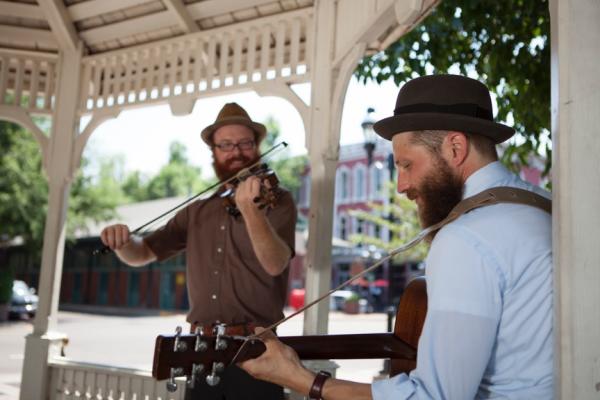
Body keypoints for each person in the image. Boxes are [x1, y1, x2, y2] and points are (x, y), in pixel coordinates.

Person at [239, 75, 553, 399]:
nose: (401, 185)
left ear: (455, 148)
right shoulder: (548, 208)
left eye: (406, 164)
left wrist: (301, 379)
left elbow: (432, 397)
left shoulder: (466, 238)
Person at [100, 102, 297, 400]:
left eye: (245, 143)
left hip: (259, 349)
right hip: (201, 350)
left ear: (256, 147)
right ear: (214, 152)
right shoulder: (197, 212)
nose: (236, 152)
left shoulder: (277, 201)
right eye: (226, 145)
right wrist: (122, 243)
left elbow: (275, 264)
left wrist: (251, 212)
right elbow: (142, 254)